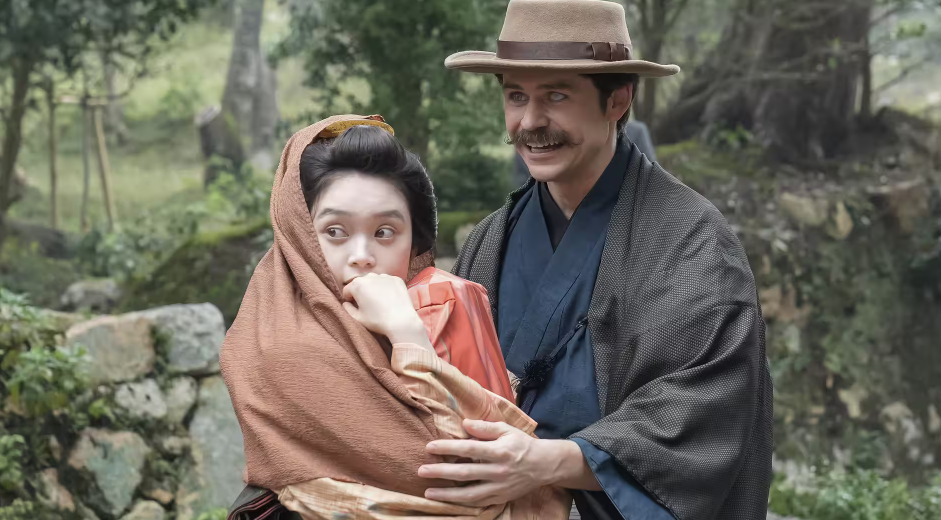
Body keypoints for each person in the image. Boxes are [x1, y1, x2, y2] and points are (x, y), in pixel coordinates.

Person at [427, 1, 774, 520]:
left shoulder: (693, 243)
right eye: (516, 96)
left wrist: (546, 463)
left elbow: (704, 410)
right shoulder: (490, 239)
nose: (530, 122)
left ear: (617, 100)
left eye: (556, 96)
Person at [220, 115, 569, 520]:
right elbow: (443, 473)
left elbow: (490, 469)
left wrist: (407, 333)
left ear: (414, 243)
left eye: (384, 232)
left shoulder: (441, 306)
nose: (361, 256)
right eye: (335, 231)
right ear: (300, 235)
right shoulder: (275, 341)